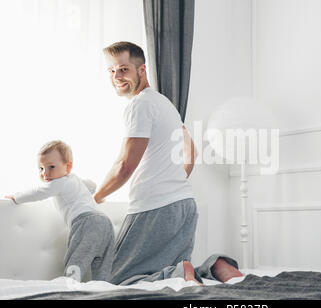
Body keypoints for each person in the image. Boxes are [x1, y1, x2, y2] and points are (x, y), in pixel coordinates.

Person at [96, 41, 243, 285]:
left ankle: (180, 273)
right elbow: (191, 152)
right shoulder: (164, 103)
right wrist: (173, 182)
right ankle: (214, 266)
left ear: (141, 70)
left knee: (118, 279)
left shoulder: (140, 104)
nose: (116, 76)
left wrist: (97, 197)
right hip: (184, 204)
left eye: (123, 69)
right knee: (171, 275)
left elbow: (125, 165)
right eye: (111, 71)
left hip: (155, 207)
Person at [5, 140, 115, 282]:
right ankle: (103, 287)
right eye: (41, 168)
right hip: (105, 222)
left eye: (51, 167)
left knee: (77, 257)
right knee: (103, 263)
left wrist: (16, 197)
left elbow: (38, 192)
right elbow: (92, 184)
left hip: (86, 221)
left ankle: (70, 285)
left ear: (68, 167)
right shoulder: (74, 179)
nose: (45, 173)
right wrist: (92, 195)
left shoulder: (59, 182)